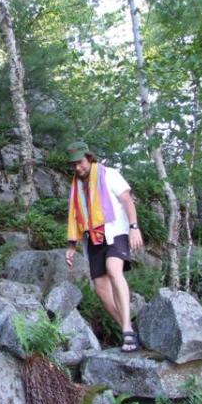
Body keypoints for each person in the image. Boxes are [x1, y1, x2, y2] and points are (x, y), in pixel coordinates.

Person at [64, 141, 144, 352]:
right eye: (73, 164)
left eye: (80, 162)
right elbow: (75, 215)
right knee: (100, 288)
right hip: (93, 238)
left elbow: (127, 200)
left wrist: (134, 227)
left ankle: (127, 332)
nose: (77, 168)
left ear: (89, 158)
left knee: (113, 269)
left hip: (116, 231)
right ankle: (129, 329)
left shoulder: (109, 174)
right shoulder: (76, 186)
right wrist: (72, 245)